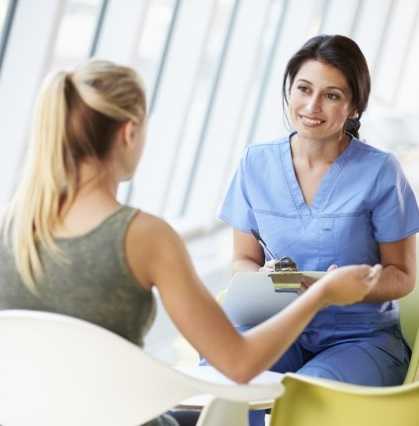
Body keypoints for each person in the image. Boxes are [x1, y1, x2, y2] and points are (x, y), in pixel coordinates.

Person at [0, 59, 382, 426]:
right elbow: (238, 363)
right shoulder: (143, 236)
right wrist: (323, 293)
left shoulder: (10, 227)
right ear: (130, 132)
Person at [219, 34, 419, 425]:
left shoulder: (380, 172)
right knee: (225, 374)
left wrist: (345, 288)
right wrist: (265, 279)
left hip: (359, 337)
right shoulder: (255, 163)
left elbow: (404, 276)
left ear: (354, 106)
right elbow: (243, 258)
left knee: (303, 397)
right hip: (279, 323)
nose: (312, 106)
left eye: (332, 95)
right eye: (303, 89)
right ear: (289, 91)